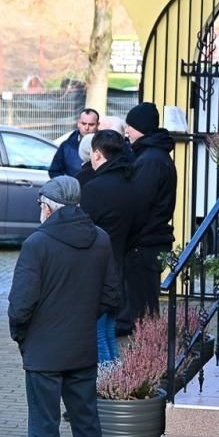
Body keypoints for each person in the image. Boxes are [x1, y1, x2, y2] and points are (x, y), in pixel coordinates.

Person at [6, 175, 118, 437]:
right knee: (87, 425)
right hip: (81, 348)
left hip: (43, 351)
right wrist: (83, 318)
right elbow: (111, 296)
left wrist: (21, 336)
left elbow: (20, 305)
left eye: (41, 204)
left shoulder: (37, 244)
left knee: (44, 428)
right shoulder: (100, 239)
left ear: (48, 206)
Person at [78, 129, 141, 365]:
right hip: (119, 264)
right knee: (108, 331)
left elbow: (83, 229)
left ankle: (106, 388)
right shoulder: (130, 183)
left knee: (97, 334)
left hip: (96, 270)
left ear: (96, 154)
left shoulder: (95, 188)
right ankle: (115, 382)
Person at [122, 102, 175, 334]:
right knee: (145, 308)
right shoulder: (153, 156)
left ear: (141, 128)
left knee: (142, 311)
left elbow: (138, 204)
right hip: (150, 241)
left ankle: (148, 358)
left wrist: (129, 237)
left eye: (130, 127)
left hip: (144, 244)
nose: (126, 132)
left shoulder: (150, 160)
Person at [49, 108, 99, 178]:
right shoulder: (66, 146)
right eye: (83, 123)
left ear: (97, 125)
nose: (87, 128)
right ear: (78, 123)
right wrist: (68, 185)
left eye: (91, 124)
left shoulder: (105, 145)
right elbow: (54, 171)